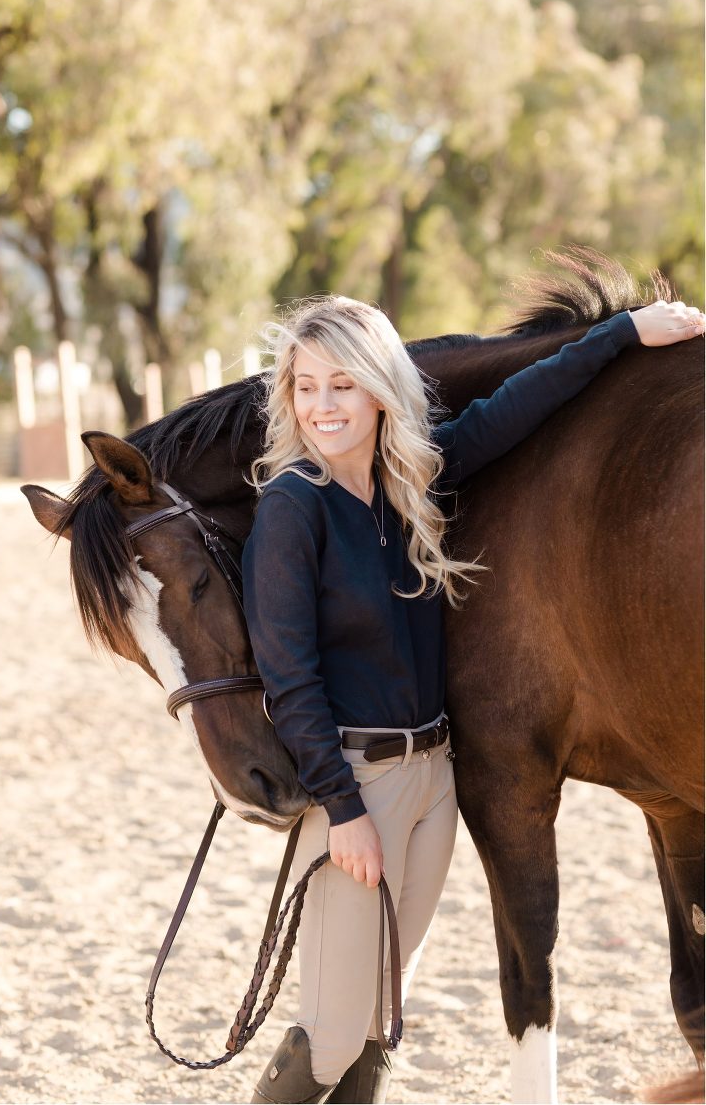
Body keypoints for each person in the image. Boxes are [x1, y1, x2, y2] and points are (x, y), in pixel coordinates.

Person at [242, 296, 704, 1105]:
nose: (322, 407)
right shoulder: (292, 507)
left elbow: (520, 402)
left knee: (379, 1022)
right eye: (305, 387)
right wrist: (342, 808)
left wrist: (623, 332)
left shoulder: (411, 479)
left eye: (342, 385)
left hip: (431, 785)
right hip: (358, 786)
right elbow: (291, 679)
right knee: (331, 1032)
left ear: (380, 388)